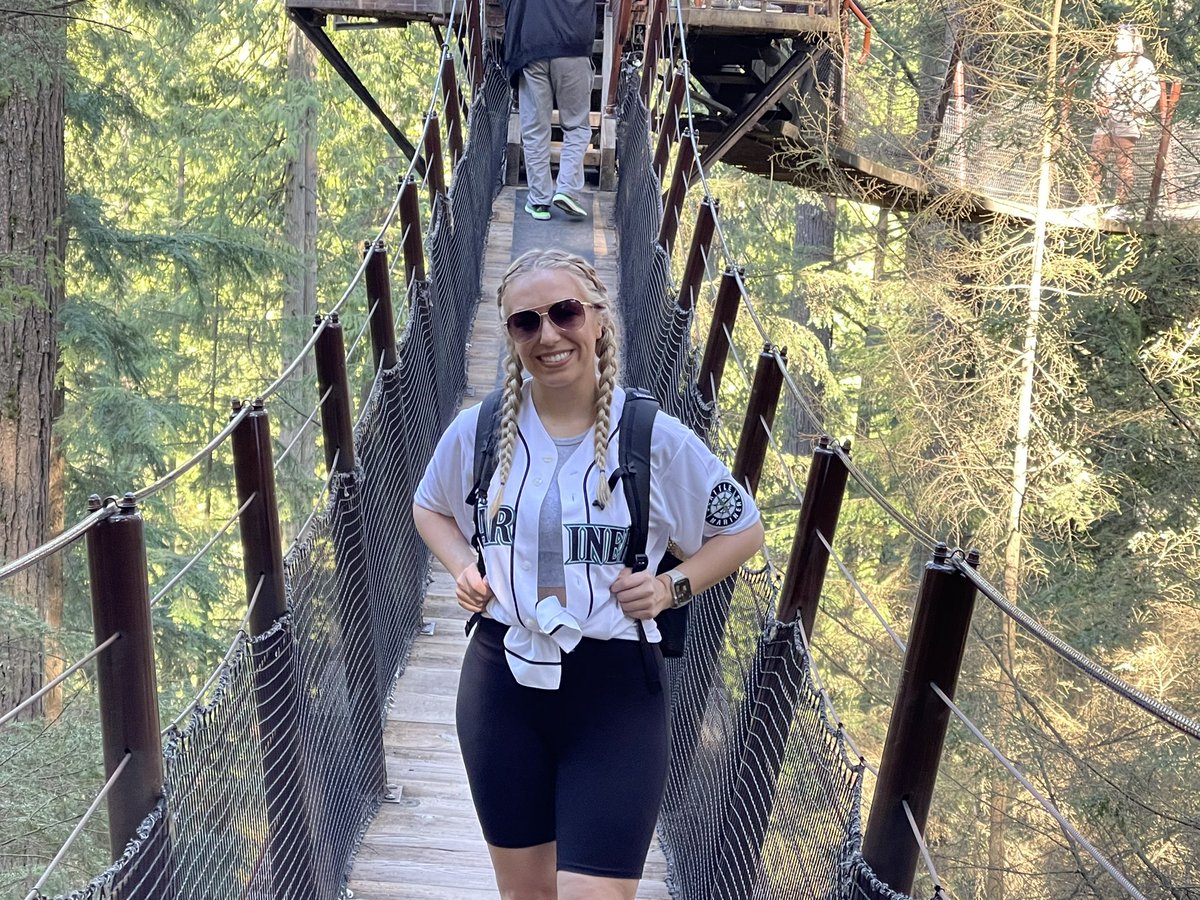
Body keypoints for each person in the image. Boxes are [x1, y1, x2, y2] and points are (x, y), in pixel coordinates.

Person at [412, 249, 764, 899]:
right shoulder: (482, 431)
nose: (548, 335)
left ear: (598, 320)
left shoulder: (653, 438)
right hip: (500, 686)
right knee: (526, 895)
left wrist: (669, 586)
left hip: (615, 694)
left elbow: (742, 529)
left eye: (565, 312)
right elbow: (430, 507)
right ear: (512, 335)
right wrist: (464, 566)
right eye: (525, 322)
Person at [501, 0, 594, 221]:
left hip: (532, 45)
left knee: (535, 129)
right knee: (577, 125)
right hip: (574, 44)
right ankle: (567, 189)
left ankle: (539, 201)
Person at [1087, 24, 1160, 217]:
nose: (1117, 42)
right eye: (1117, 38)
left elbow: (1154, 91)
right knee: (1095, 160)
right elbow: (1095, 87)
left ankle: (1122, 205)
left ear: (1133, 42)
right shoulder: (1106, 63)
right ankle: (1089, 203)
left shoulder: (1144, 64)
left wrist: (1138, 111)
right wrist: (1098, 102)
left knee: (1123, 163)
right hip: (1105, 120)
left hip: (1127, 120)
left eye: (1122, 38)